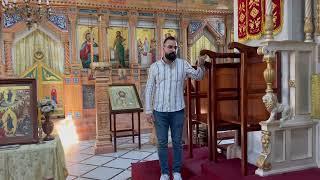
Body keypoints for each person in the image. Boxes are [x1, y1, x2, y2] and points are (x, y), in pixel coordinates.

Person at [145, 36, 206, 180]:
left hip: (178, 110)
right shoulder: (155, 67)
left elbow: (198, 76)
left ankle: (177, 171)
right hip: (159, 111)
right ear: (163, 48)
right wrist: (148, 110)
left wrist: (201, 65)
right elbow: (149, 89)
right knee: (162, 142)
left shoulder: (182, 64)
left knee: (178, 142)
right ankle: (165, 173)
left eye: (175, 47)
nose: (173, 50)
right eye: (170, 47)